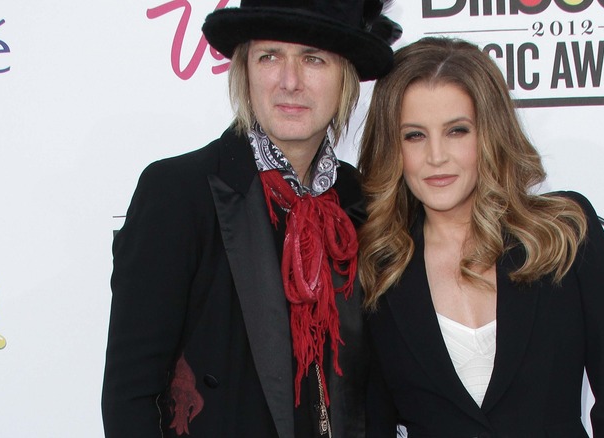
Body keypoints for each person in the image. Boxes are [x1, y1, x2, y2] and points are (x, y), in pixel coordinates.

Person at [101, 1, 400, 437]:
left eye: (313, 59)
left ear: (346, 78)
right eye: (270, 56)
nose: (290, 81)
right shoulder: (178, 193)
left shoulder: (361, 201)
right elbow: (129, 395)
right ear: (245, 72)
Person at [358, 37, 604, 437]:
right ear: (392, 146)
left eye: (457, 130)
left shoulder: (564, 237)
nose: (436, 156)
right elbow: (374, 423)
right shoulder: (376, 270)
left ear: (489, 134)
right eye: (415, 136)